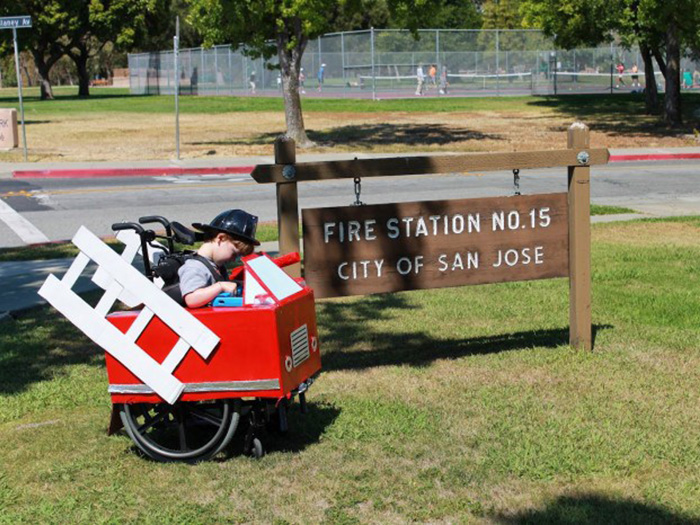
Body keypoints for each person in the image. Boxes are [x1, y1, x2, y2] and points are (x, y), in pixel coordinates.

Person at [178, 209, 259, 308]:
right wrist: (220, 286)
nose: (234, 260)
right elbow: (191, 299)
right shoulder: (194, 267)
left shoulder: (217, 266)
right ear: (221, 238)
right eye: (234, 253)